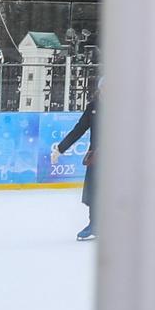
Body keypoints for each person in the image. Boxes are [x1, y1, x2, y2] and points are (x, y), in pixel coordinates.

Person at [59, 90, 96, 241]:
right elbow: (79, 129)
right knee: (94, 191)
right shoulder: (93, 107)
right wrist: (61, 148)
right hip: (97, 156)